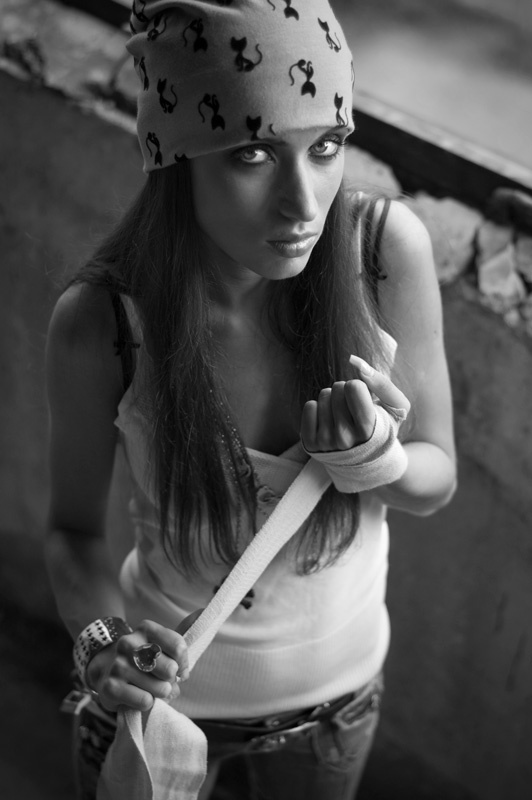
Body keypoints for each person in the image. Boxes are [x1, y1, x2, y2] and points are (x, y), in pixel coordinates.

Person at [45, 1, 456, 798]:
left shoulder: (380, 253)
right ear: (176, 157)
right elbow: (71, 533)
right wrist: (103, 644)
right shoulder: (105, 323)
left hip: (333, 718)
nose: (304, 203)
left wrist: (377, 462)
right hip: (158, 722)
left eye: (327, 145)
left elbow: (434, 481)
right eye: (253, 153)